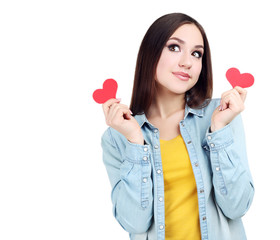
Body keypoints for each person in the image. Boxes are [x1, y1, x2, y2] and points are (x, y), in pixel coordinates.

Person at [101, 12, 255, 240]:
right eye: (174, 47)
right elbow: (134, 222)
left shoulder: (222, 115)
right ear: (150, 53)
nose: (187, 62)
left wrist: (219, 130)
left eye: (196, 53)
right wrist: (135, 140)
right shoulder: (116, 137)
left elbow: (237, 206)